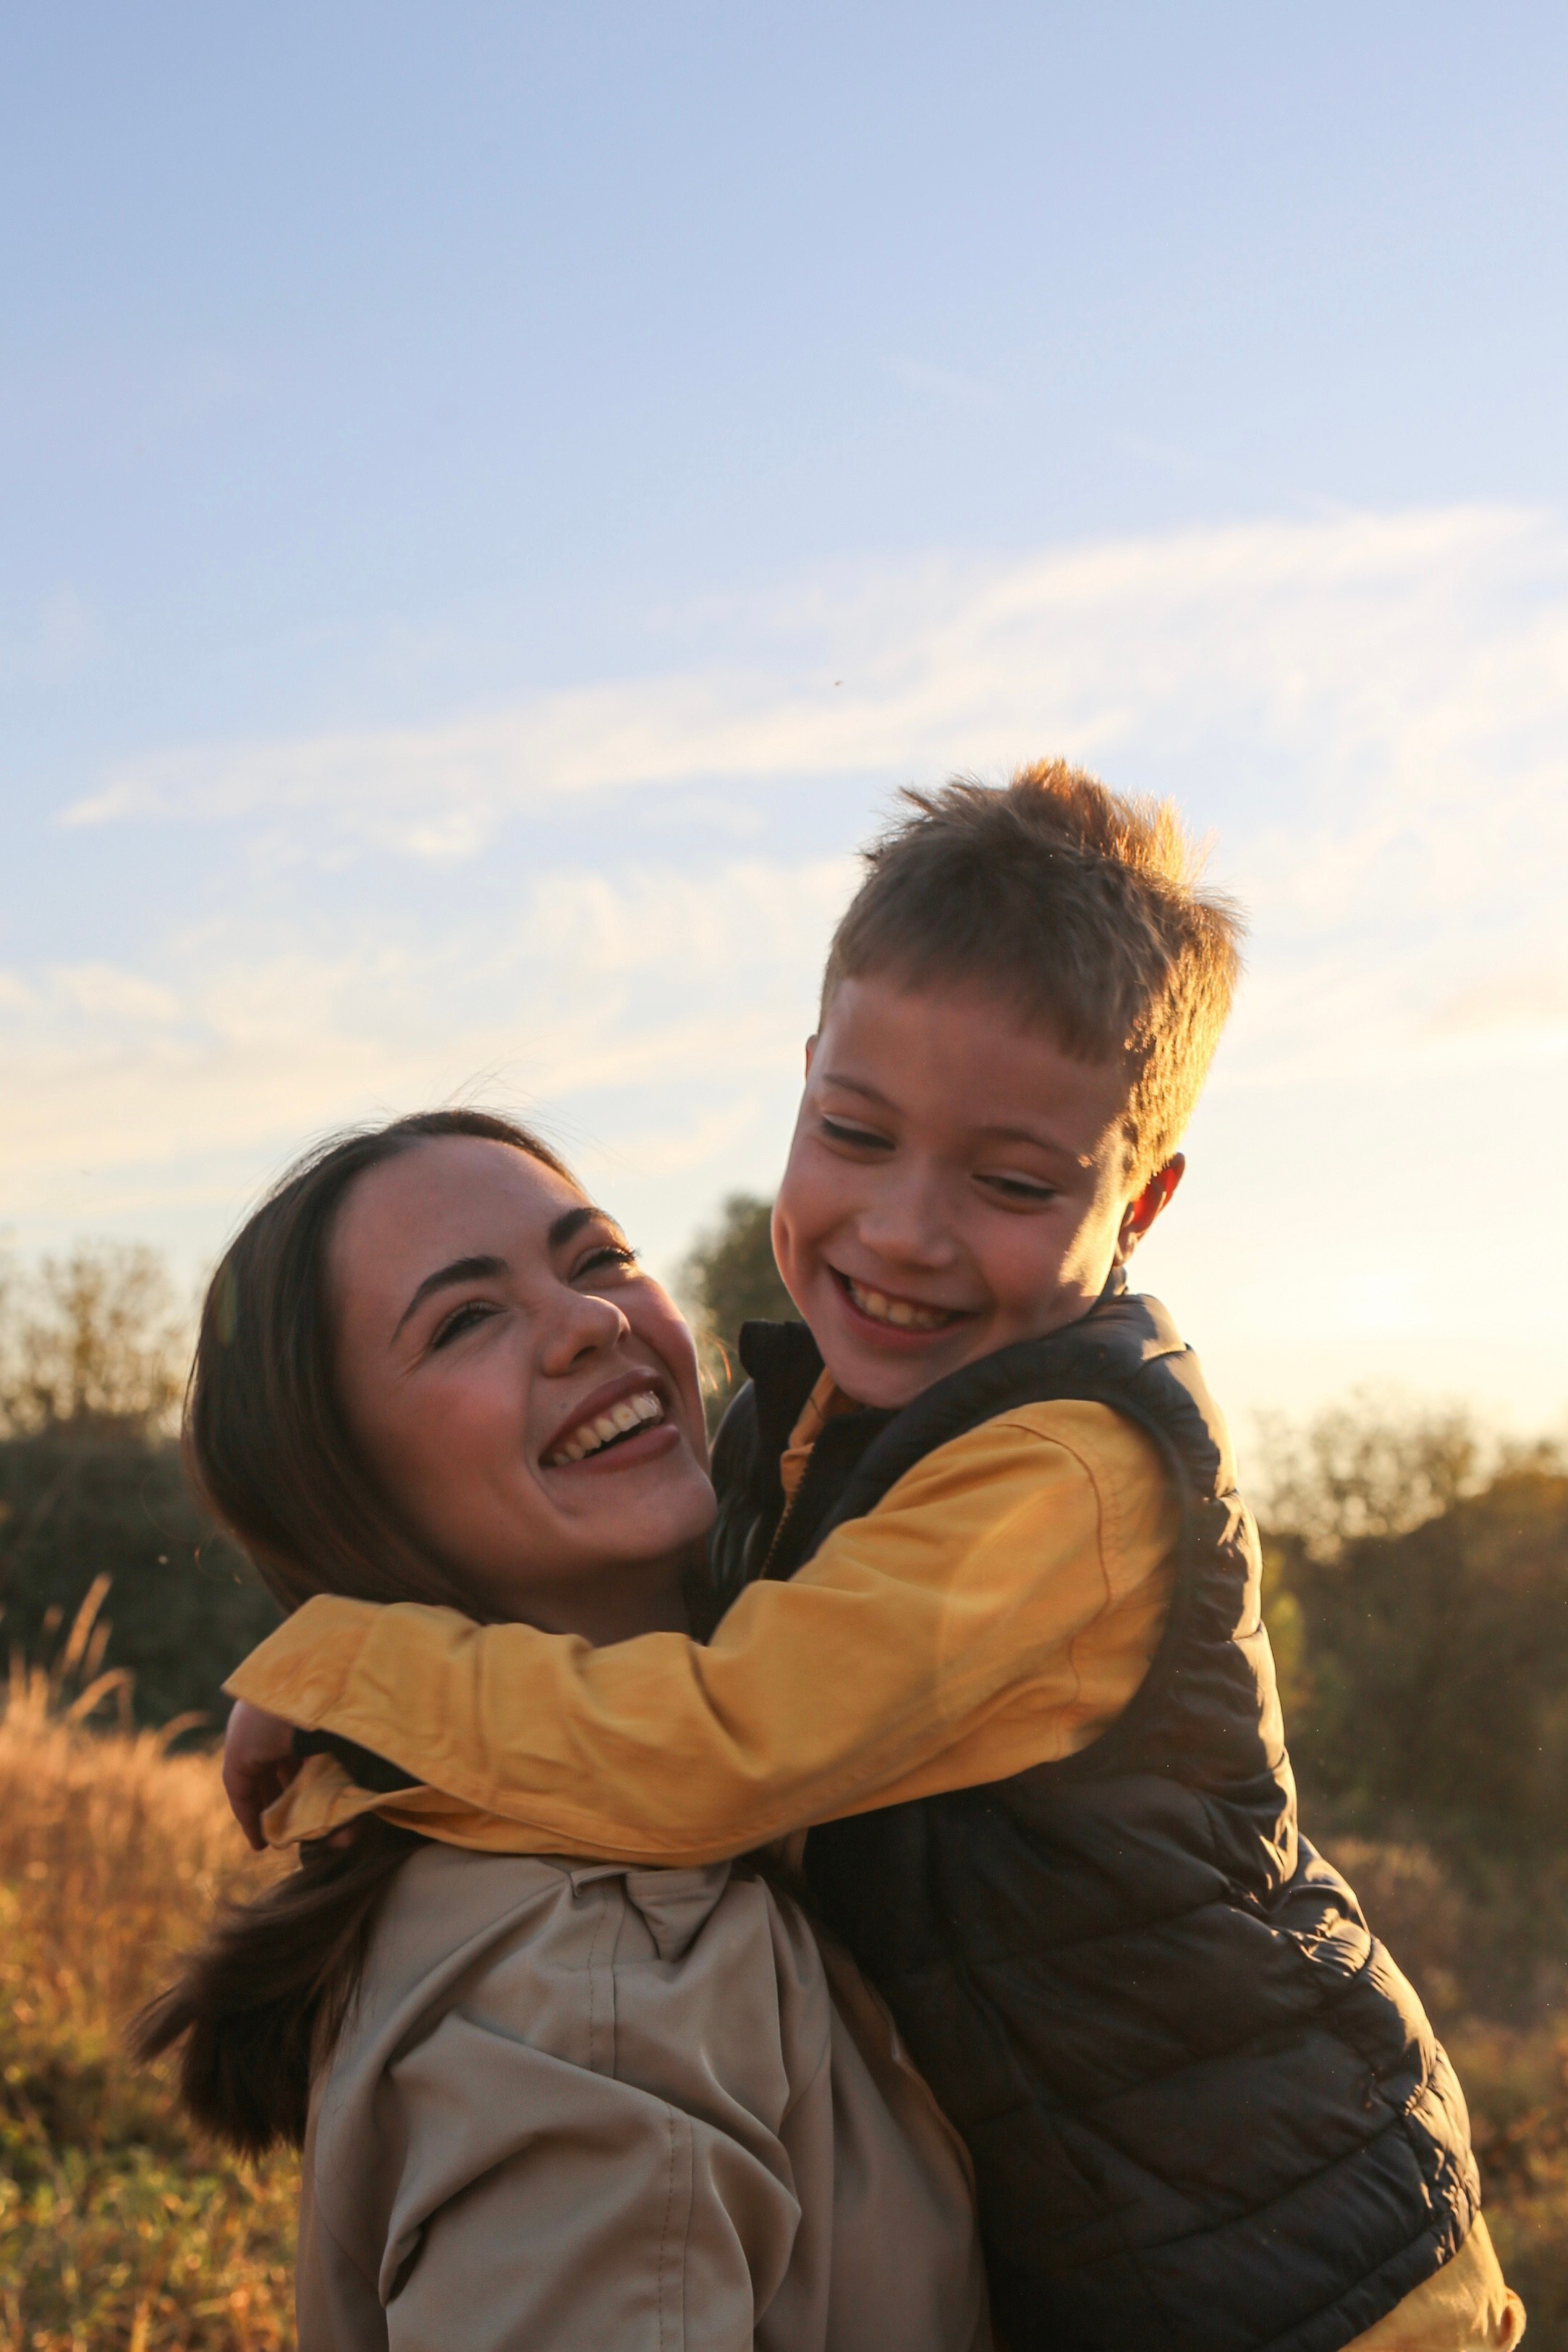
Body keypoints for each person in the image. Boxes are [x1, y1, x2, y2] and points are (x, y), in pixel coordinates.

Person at [224, 769, 1524, 2351]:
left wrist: (349, 1673)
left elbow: (717, 1739)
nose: (903, 1230)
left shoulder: (1063, 1469)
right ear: (801, 1085)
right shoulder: (828, 1426)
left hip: (1291, 2279)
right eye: (853, 1132)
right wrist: (344, 1671)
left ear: (1144, 1201)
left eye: (1009, 1182)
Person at [137, 1110, 991, 2352]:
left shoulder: (715, 1830)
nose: (592, 1318)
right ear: (348, 1495)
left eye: (598, 1259)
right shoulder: (598, 1981)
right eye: (465, 1318)